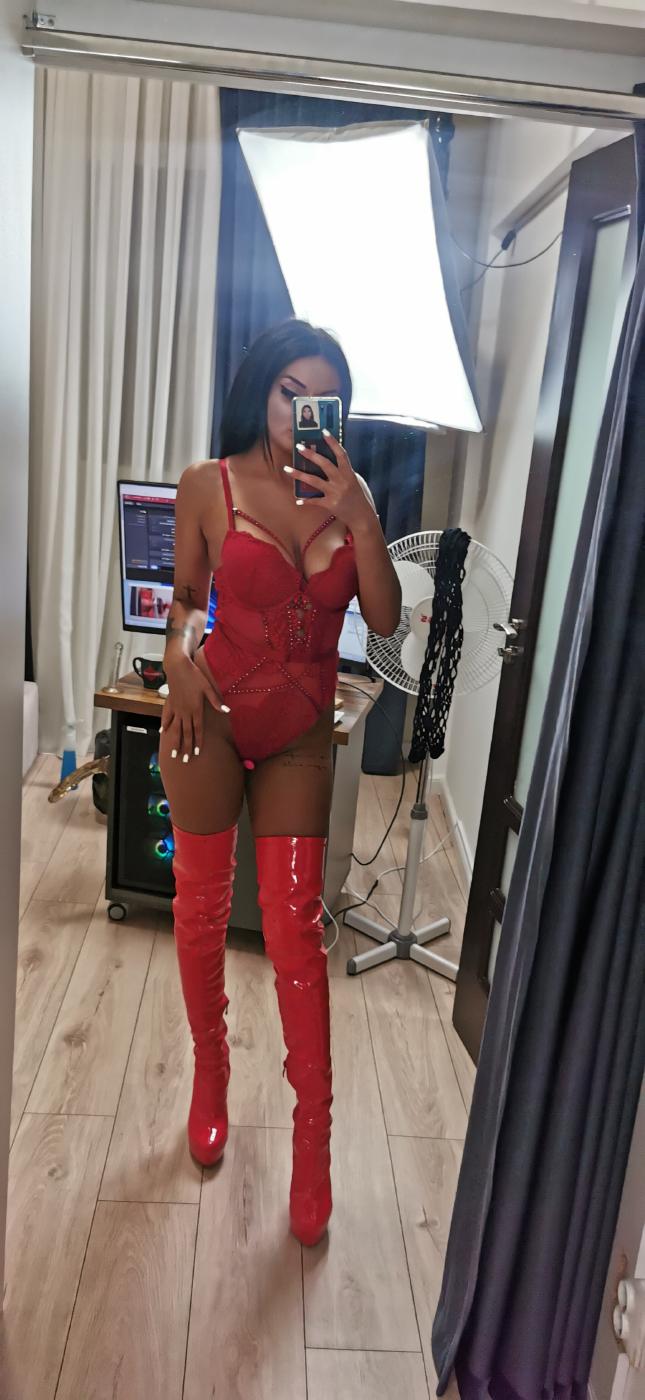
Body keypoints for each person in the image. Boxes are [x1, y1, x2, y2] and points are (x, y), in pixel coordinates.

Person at [159, 319, 401, 1248]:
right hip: (211, 714)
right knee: (198, 912)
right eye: (287, 392)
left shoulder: (350, 499)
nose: (299, 412)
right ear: (260, 390)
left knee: (295, 933)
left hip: (301, 729)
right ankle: (210, 1077)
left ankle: (312, 1141)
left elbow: (383, 621)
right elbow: (187, 604)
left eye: (321, 398)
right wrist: (177, 660)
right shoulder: (208, 484)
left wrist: (363, 518)